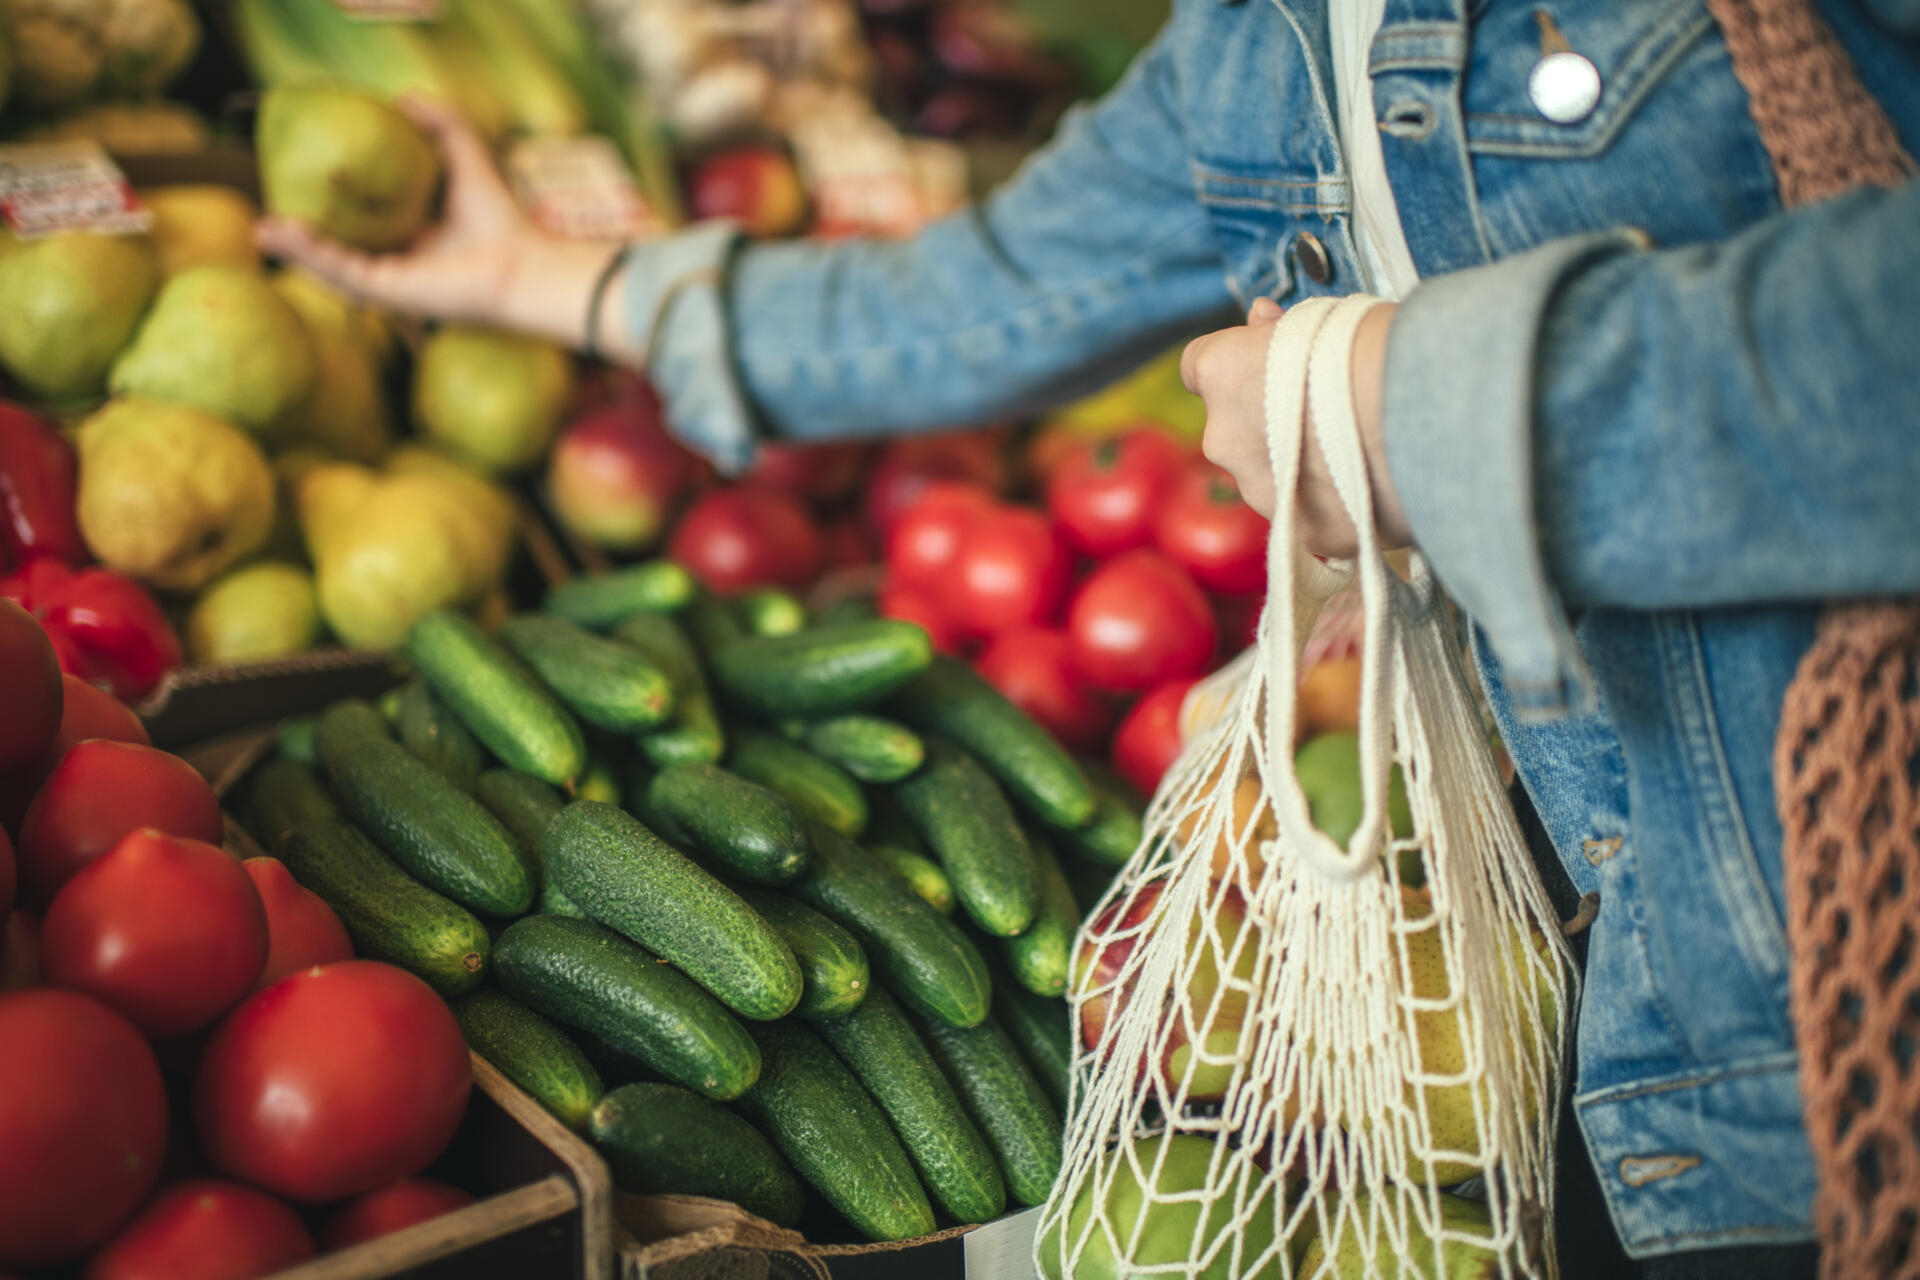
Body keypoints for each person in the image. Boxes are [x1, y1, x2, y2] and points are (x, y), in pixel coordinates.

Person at [262, 0, 1920, 1273]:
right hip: (1617, 1052)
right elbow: (982, 295)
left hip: (1848, 1018)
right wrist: (555, 282)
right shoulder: (1259, 39)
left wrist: (1424, 411)